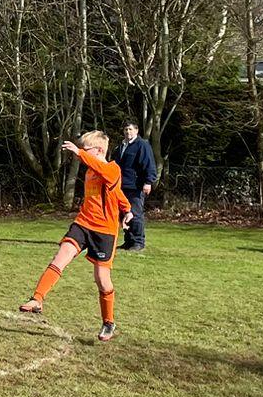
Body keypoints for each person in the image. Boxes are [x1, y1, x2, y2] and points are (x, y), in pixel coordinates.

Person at [18, 130, 132, 340]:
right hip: (83, 223)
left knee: (102, 279)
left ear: (99, 150)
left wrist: (127, 209)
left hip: (104, 231)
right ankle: (37, 299)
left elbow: (113, 186)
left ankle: (108, 322)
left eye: (86, 149)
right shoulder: (90, 172)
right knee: (60, 257)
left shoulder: (112, 169)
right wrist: (128, 209)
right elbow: (115, 192)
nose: (81, 154)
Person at [117, 122, 158, 251]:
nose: (128, 132)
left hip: (136, 186)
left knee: (135, 214)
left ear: (136, 130)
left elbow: (149, 163)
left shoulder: (142, 145)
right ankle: (128, 241)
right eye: (126, 129)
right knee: (125, 214)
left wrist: (148, 182)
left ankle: (138, 242)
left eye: (130, 129)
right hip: (122, 185)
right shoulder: (121, 146)